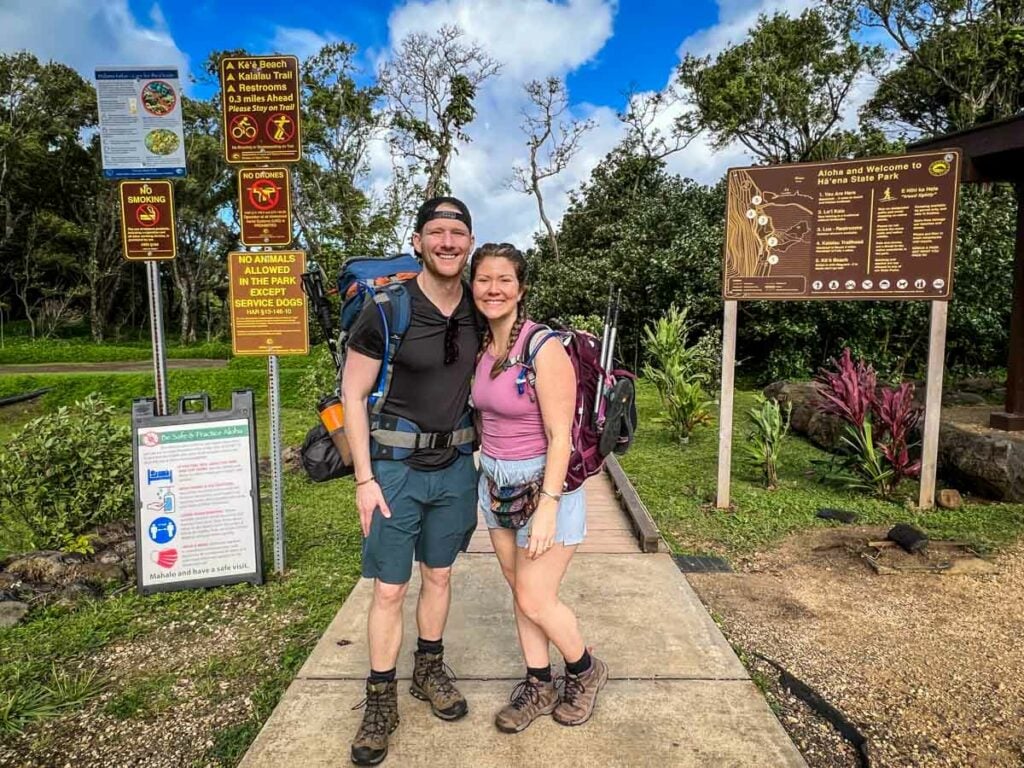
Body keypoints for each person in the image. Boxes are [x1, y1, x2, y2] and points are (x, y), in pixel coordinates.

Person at [342, 196, 482, 766]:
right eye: (436, 232)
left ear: (469, 242)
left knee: (441, 577)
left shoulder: (482, 307)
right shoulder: (386, 309)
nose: (448, 242)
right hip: (394, 471)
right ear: (419, 241)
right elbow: (352, 395)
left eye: (457, 233)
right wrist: (363, 479)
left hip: (455, 468)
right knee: (390, 589)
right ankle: (380, 698)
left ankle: (428, 669)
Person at [469, 242, 608, 734]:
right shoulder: (479, 349)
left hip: (546, 487)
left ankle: (585, 669)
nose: (493, 289)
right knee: (519, 590)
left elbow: (561, 436)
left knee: (534, 596)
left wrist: (548, 505)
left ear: (521, 288)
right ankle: (538, 681)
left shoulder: (542, 348)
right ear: (472, 286)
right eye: (483, 279)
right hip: (497, 485)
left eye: (504, 279)